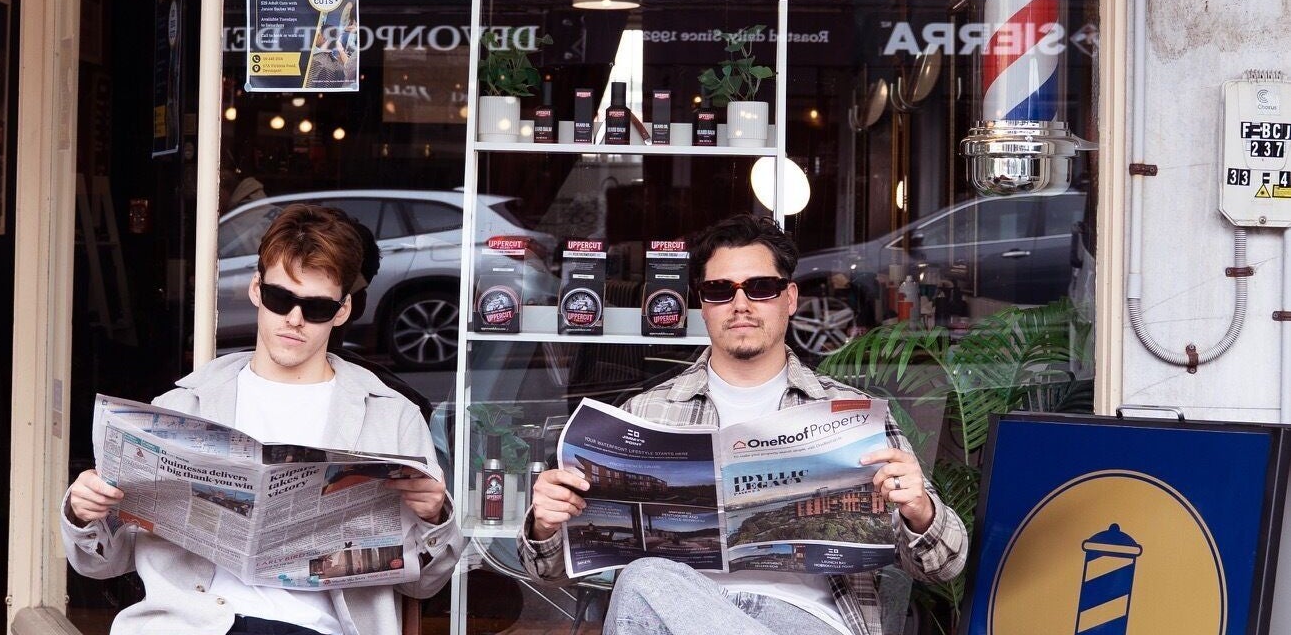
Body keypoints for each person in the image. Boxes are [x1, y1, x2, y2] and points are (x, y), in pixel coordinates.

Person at [518, 213, 967, 635]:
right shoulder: (644, 415)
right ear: (703, 304)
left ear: (789, 298)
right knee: (644, 582)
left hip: (809, 621)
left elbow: (945, 565)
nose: (740, 304)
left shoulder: (851, 412)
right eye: (720, 291)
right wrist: (546, 524)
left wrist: (919, 512)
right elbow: (548, 571)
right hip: (677, 613)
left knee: (641, 582)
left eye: (760, 287)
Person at [64, 203, 462, 635]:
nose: (293, 320)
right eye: (280, 299)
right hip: (195, 624)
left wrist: (436, 515)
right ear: (256, 289)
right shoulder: (182, 407)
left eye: (316, 308)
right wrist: (85, 514)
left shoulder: (392, 417)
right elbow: (101, 565)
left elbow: (425, 585)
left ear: (343, 310)